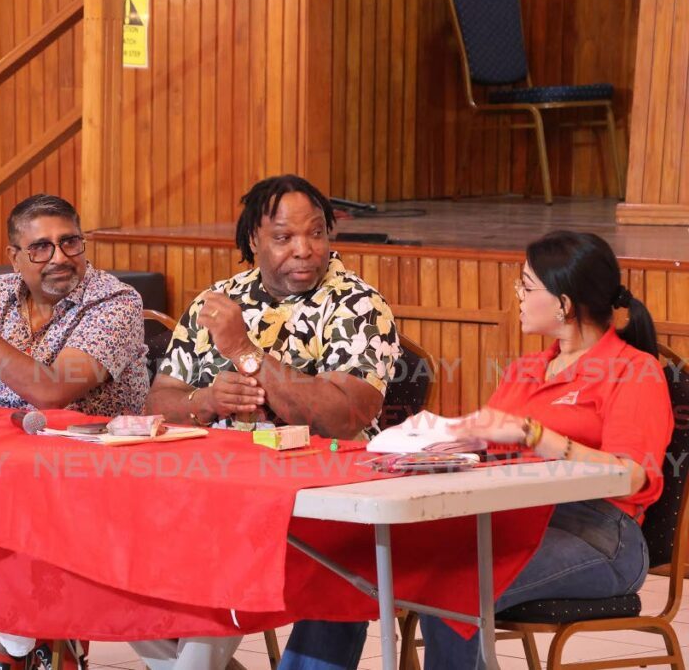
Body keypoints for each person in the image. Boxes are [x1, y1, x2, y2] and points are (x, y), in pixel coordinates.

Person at [279, 230, 674, 670]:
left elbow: (632, 474)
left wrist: (534, 434)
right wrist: (437, 443)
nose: (517, 295)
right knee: (348, 568)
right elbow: (488, 445)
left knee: (453, 585)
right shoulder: (527, 369)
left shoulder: (633, 371)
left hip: (599, 534)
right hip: (504, 517)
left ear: (563, 303)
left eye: (526, 286)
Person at [133, 174, 400, 670]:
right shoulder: (217, 301)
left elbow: (344, 418)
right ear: (253, 240)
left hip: (323, 500)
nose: (304, 250)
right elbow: (157, 404)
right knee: (120, 555)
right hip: (218, 489)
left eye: (316, 233)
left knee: (302, 565)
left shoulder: (358, 305)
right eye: (284, 237)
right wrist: (207, 399)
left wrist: (244, 353)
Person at [0, 193, 149, 668]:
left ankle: (16, 645)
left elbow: (53, 391)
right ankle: (25, 635)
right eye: (40, 248)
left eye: (69, 242)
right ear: (14, 258)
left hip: (87, 472)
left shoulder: (116, 302)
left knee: (16, 504)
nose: (59, 257)